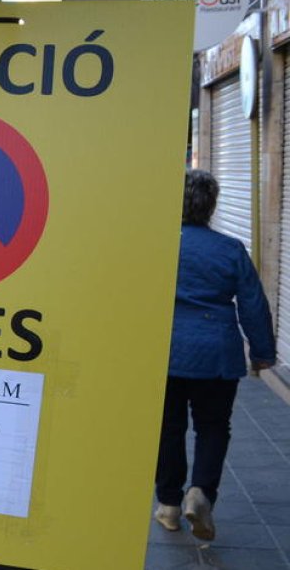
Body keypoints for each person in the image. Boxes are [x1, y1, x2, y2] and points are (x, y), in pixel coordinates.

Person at [154, 169, 277, 540]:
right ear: (211, 206)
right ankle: (201, 492)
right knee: (212, 426)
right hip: (217, 354)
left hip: (167, 350)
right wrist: (262, 352)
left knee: (168, 428)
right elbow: (253, 303)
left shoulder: (157, 245)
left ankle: (170, 505)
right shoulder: (230, 248)